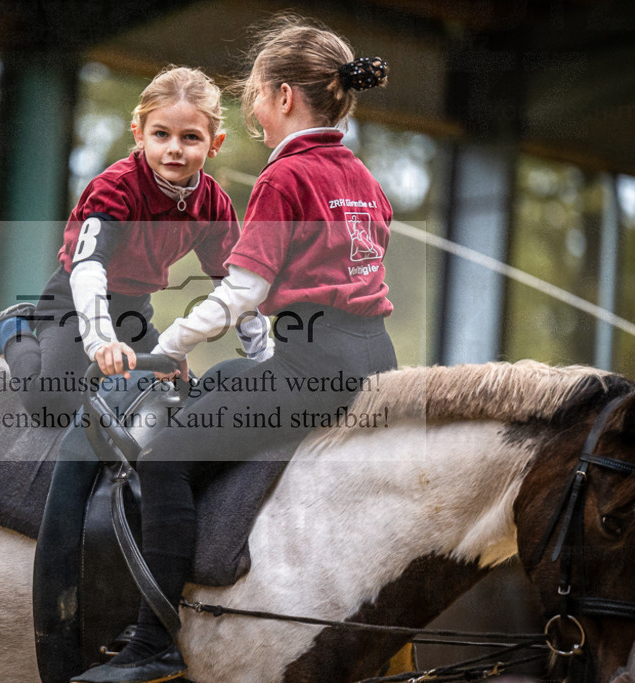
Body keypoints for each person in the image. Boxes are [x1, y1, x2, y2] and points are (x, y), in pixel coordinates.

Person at [71, 15, 398, 683]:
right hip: (374, 357)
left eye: (252, 91)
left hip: (315, 366)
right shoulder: (361, 177)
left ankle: (154, 639)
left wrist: (165, 343)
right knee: (224, 380)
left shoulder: (287, 178)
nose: (250, 104)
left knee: (164, 460)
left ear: (282, 97)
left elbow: (240, 292)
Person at [0, 65, 272, 417]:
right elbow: (88, 268)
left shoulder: (214, 205)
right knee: (51, 402)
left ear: (215, 144)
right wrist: (100, 340)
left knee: (181, 404)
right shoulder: (117, 188)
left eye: (191, 137)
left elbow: (238, 288)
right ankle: (13, 330)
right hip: (73, 300)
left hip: (135, 310)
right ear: (140, 134)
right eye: (161, 134)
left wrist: (263, 357)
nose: (174, 149)